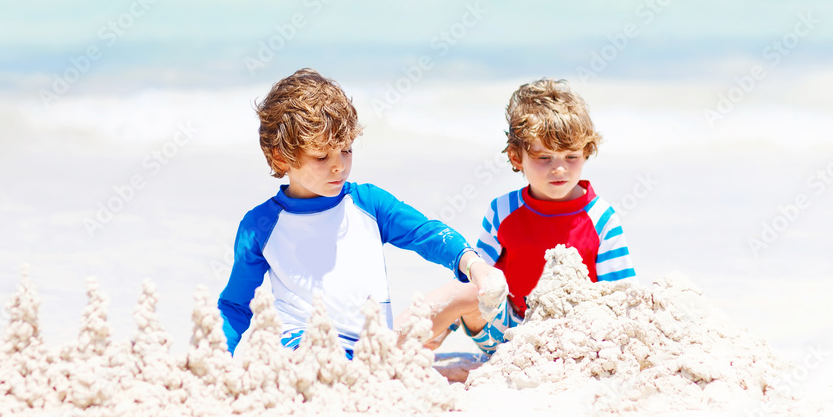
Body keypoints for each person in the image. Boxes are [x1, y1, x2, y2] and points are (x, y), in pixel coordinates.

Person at [218, 68, 508, 357]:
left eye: (346, 151)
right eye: (322, 156)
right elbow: (235, 305)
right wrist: (215, 357)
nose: (339, 166)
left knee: (470, 291)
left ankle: (454, 354)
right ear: (282, 157)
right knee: (317, 355)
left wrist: (475, 266)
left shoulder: (368, 202)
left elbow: (427, 234)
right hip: (304, 348)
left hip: (374, 347)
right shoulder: (261, 226)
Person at [435, 78, 637, 355]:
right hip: (511, 335)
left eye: (571, 157)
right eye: (544, 158)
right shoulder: (502, 210)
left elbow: (621, 292)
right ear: (516, 157)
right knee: (470, 292)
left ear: (587, 152)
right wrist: (446, 325)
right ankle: (421, 343)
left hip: (581, 336)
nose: (559, 169)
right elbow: (477, 275)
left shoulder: (601, 217)